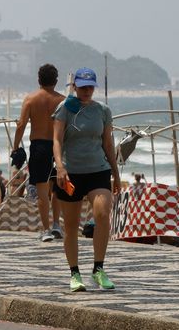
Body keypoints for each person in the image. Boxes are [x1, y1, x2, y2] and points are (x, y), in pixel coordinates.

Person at [52, 67, 120, 292]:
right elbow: (57, 140)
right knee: (71, 226)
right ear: (75, 86)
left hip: (98, 171)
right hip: (70, 173)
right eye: (82, 86)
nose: (87, 90)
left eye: (90, 86)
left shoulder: (103, 110)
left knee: (102, 212)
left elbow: (108, 144)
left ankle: (99, 269)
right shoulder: (65, 108)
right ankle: (74, 273)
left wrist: (116, 174)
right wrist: (60, 167)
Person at [12, 63, 65, 242]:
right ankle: (57, 224)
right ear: (56, 81)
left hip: (39, 147)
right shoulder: (63, 100)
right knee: (57, 188)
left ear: (39, 79)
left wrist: (15, 146)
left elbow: (21, 125)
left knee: (42, 191)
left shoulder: (31, 99)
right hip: (59, 147)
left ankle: (46, 229)